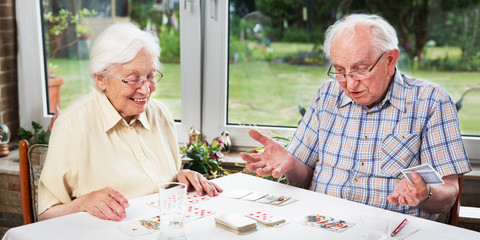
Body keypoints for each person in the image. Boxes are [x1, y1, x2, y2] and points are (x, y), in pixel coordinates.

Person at [240, 14, 471, 220]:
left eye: (360, 69)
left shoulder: (431, 101)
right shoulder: (326, 96)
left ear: (390, 60)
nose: (349, 84)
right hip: (320, 224)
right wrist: (290, 165)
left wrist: (425, 192)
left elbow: (448, 195)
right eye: (339, 70)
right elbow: (301, 180)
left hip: (390, 230)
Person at [38, 22, 222, 222]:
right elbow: (46, 216)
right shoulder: (71, 126)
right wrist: (83, 203)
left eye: (150, 76)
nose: (145, 89)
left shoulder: (160, 115)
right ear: (101, 78)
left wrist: (180, 176)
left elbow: (158, 181)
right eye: (133, 78)